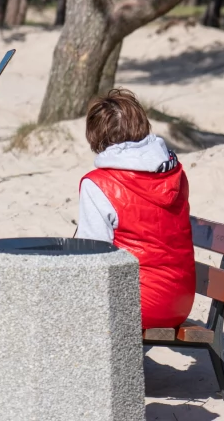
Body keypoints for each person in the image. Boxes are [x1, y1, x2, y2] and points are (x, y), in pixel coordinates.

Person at [75, 88, 196, 330]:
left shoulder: (99, 183)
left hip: (134, 304)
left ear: (96, 135)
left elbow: (91, 254)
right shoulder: (176, 173)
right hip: (180, 303)